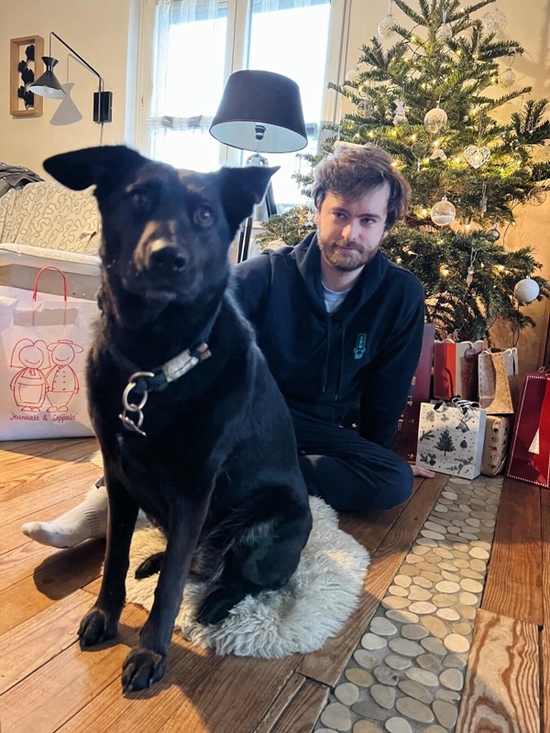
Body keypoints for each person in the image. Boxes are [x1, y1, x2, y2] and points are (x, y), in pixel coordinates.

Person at [21, 143, 434, 550]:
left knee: (395, 479)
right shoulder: (263, 275)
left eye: (367, 220)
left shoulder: (401, 295)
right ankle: (107, 501)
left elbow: (387, 388)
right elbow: (185, 338)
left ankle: (240, 484)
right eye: (340, 214)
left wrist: (374, 456)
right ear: (318, 210)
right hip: (249, 416)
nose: (350, 233)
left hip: (321, 430)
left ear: (386, 226)